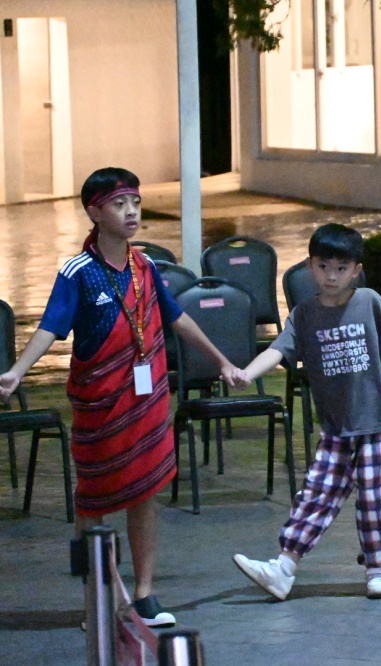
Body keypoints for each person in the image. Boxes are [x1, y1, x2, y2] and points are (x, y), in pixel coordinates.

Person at [0, 167, 245, 627]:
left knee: (146, 493)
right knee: (91, 503)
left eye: (134, 201)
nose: (131, 211)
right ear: (94, 212)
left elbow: (177, 319)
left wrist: (221, 360)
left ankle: (145, 593)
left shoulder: (146, 268)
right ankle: (93, 598)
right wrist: (17, 371)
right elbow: (51, 326)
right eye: (119, 203)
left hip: (147, 401)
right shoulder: (78, 272)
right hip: (100, 405)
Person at [231, 223, 381, 600]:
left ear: (356, 270)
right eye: (323, 266)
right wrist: (246, 373)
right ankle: (284, 568)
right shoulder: (303, 315)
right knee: (317, 492)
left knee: (372, 496)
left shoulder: (368, 302)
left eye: (340, 268)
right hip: (336, 425)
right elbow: (279, 350)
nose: (331, 276)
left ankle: (378, 569)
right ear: (308, 266)